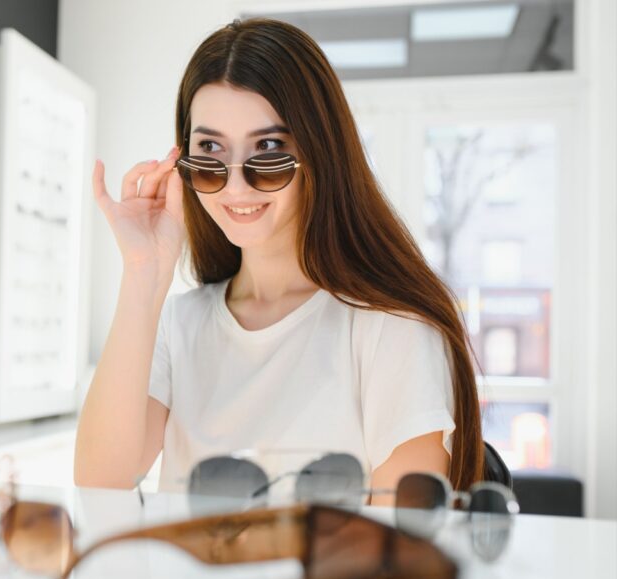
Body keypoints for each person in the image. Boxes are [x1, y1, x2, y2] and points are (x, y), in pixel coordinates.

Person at [73, 17, 486, 503]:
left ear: (318, 152)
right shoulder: (179, 324)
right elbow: (100, 483)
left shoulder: (390, 329)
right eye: (210, 150)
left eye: (268, 149)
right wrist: (145, 271)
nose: (236, 185)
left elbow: (400, 547)